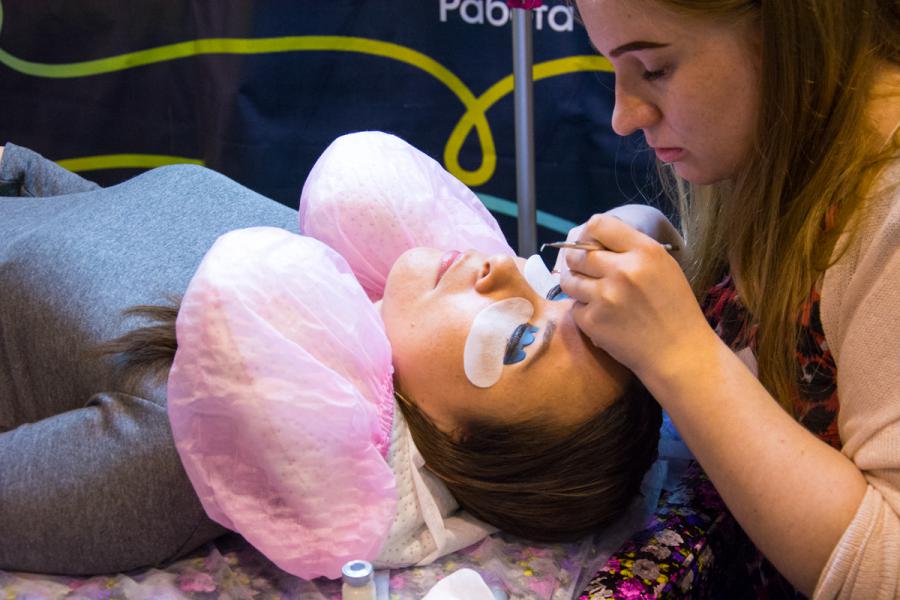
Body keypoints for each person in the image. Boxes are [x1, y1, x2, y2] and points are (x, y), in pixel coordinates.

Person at [0, 133, 661, 579]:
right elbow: (101, 219)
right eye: (554, 288)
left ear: (454, 443)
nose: (505, 268)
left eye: (520, 341)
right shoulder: (314, 283)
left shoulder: (183, 452)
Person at [559, 1, 899, 597]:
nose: (623, 117)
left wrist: (681, 354)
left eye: (654, 69)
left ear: (788, 31)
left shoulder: (885, 210)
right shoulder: (771, 139)